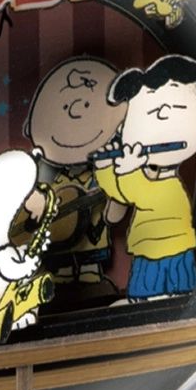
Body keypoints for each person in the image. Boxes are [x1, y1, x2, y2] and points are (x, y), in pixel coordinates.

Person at [91, 54, 196, 302]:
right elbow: (120, 192)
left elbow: (139, 194)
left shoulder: (169, 188)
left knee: (173, 301)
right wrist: (104, 167)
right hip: (147, 252)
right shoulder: (140, 174)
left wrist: (128, 169)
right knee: (144, 303)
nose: (164, 115)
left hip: (170, 253)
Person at [20, 56, 128, 282]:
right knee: (61, 273)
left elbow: (115, 207)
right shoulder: (52, 179)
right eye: (66, 107)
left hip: (93, 240)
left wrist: (118, 202)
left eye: (87, 105)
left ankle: (90, 273)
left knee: (91, 276)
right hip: (58, 243)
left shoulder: (102, 175)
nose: (76, 112)